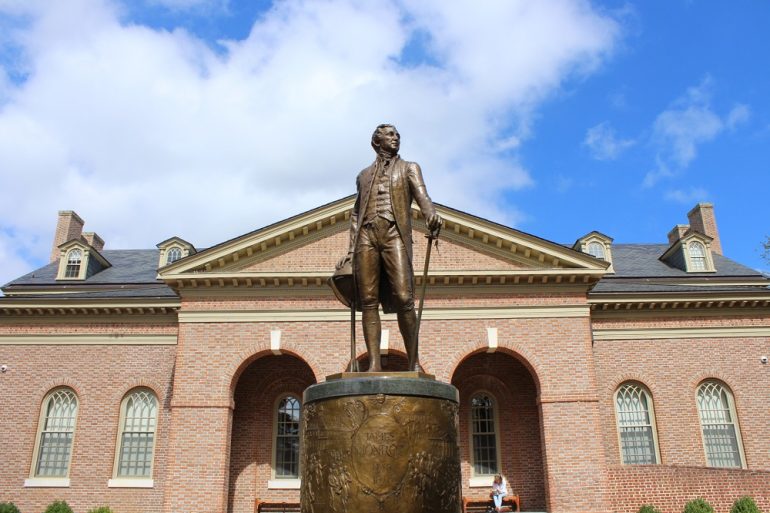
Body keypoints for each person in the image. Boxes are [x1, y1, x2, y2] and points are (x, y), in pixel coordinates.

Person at [336, 124, 442, 372]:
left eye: (397, 135)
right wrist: (351, 250)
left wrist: (431, 215)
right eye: (390, 135)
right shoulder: (363, 175)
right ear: (376, 141)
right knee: (368, 300)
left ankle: (413, 361)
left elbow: (422, 196)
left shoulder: (409, 168)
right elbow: (356, 213)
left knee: (405, 298)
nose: (396, 138)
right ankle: (373, 364)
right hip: (366, 236)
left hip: (394, 234)